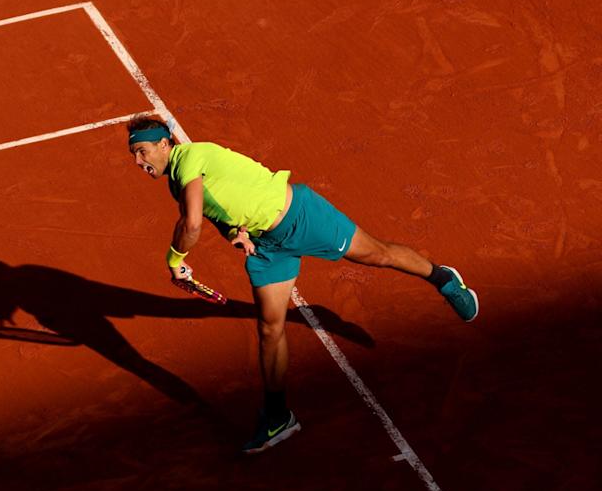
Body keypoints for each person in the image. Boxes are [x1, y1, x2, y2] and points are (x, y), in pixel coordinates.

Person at [126, 117, 478, 454]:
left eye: (143, 151)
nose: (139, 161)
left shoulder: (190, 156)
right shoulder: (177, 181)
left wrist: (175, 261)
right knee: (270, 328)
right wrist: (236, 232)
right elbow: (216, 211)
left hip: (302, 218)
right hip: (267, 247)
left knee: (377, 254)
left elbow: (191, 224)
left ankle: (443, 278)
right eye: (134, 155)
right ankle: (279, 417)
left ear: (165, 143)